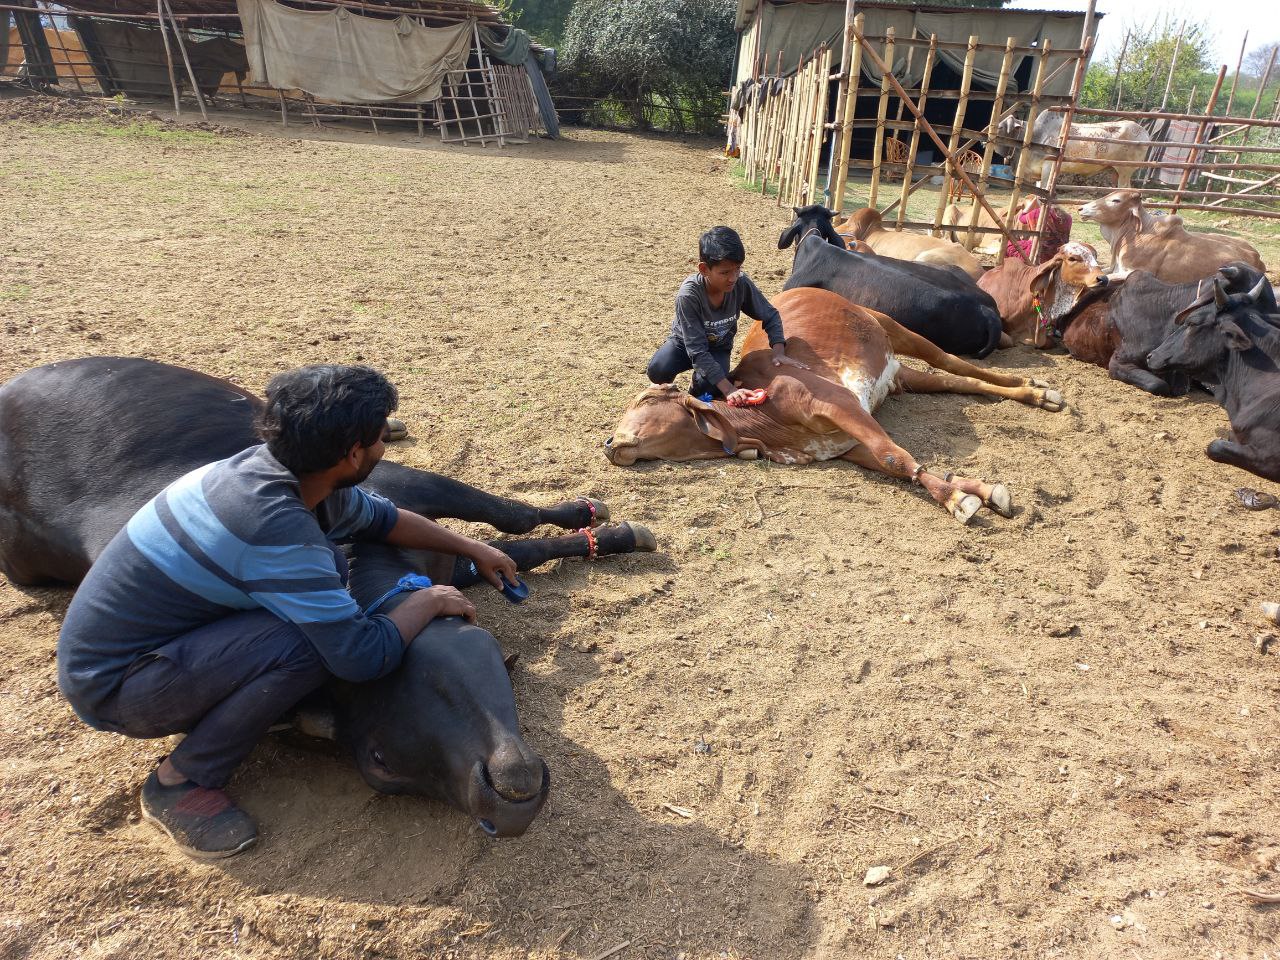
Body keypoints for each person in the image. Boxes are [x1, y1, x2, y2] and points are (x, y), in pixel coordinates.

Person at [56, 364, 519, 859]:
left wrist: (472, 547)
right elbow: (361, 656)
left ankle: (239, 699)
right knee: (313, 646)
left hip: (157, 645)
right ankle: (180, 780)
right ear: (354, 453)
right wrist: (427, 600)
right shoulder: (277, 530)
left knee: (324, 596)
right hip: (118, 686)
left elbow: (380, 519)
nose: (385, 445)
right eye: (380, 437)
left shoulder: (278, 473)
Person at [646, 225, 806, 406]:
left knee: (708, 388)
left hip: (718, 347)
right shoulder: (689, 296)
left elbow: (770, 315)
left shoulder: (741, 284)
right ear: (704, 269)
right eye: (725, 272)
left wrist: (778, 352)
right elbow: (696, 350)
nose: (733, 277)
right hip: (684, 344)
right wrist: (730, 390)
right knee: (658, 370)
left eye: (737, 269)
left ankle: (696, 389)